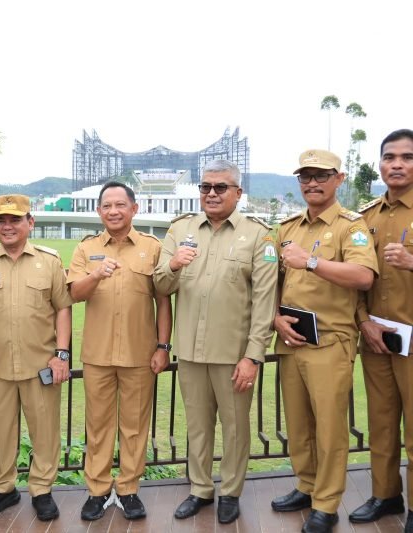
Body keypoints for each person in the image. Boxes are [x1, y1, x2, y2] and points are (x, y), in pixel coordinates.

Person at [153, 160, 278, 524]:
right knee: (197, 424)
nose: (211, 193)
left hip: (233, 353)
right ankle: (200, 489)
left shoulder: (258, 235)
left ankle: (231, 491)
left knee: (235, 427)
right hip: (191, 349)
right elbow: (160, 285)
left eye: (220, 187)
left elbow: (264, 301)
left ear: (238, 193)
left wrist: (253, 356)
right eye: (205, 186)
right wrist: (173, 265)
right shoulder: (181, 230)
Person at [271, 149, 377, 533]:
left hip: (330, 341)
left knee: (330, 429)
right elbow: (272, 281)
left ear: (338, 179)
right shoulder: (287, 228)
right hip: (291, 339)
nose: (312, 183)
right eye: (305, 176)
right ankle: (307, 485)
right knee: (299, 425)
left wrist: (311, 262)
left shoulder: (352, 226)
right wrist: (274, 318)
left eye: (321, 176)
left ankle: (327, 503)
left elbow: (364, 277)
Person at [67, 181, 172, 521]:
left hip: (139, 354)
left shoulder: (152, 248)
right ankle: (97, 490)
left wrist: (163, 346)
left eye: (120, 205)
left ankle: (128, 489)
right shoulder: (86, 248)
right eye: (107, 206)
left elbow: (163, 301)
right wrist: (96, 274)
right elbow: (75, 293)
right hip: (97, 354)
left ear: (134, 209)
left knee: (135, 426)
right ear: (99, 211)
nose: (113, 211)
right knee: (98, 426)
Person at [0, 195, 73, 521]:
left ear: (30, 222)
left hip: (40, 364)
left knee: (45, 432)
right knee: (0, 431)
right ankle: (3, 488)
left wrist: (62, 355)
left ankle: (41, 489)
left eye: (15, 220)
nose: (7, 226)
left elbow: (63, 308)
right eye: (1, 220)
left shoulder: (49, 261)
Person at [348, 129, 413, 530]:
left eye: (407, 157)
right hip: (377, 338)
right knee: (382, 421)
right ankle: (386, 495)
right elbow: (356, 281)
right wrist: (363, 322)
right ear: (380, 164)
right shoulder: (366, 217)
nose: (397, 164)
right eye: (390, 157)